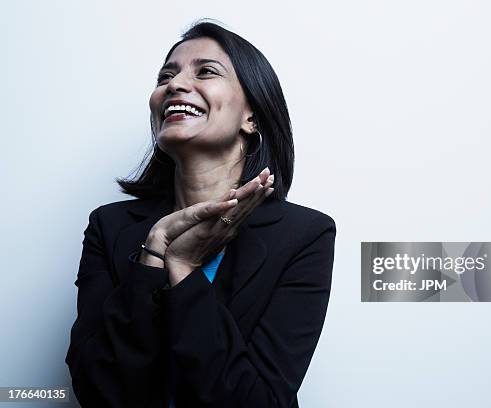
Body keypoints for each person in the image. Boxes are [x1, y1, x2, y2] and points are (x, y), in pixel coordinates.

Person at [65, 19, 336, 408]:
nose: (174, 85)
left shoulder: (305, 234)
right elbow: (98, 390)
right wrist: (153, 253)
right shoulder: (108, 226)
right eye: (165, 76)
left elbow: (259, 401)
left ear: (252, 118)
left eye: (206, 71)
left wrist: (184, 268)